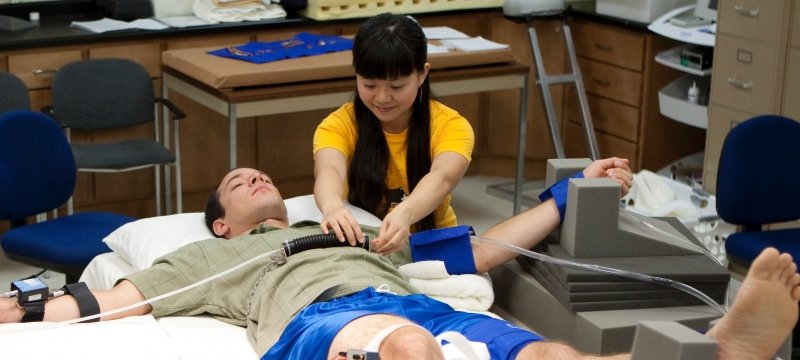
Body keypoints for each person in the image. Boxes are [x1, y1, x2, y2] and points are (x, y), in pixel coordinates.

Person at [2, 163, 799, 360]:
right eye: (235, 182)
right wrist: (21, 312)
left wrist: (565, 193)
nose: (252, 175)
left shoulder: (354, 231)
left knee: (551, 352)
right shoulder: (210, 255)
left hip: (427, 307)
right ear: (219, 219)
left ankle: (724, 352)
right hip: (322, 321)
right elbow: (112, 304)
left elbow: (485, 248)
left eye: (260, 172)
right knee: (407, 350)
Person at [313, 13, 474, 255]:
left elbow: (442, 178)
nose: (382, 98)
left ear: (422, 74)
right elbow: (329, 170)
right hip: (366, 247)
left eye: (396, 86)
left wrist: (404, 213)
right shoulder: (337, 125)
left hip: (433, 246)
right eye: (369, 85)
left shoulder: (451, 125)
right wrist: (332, 206)